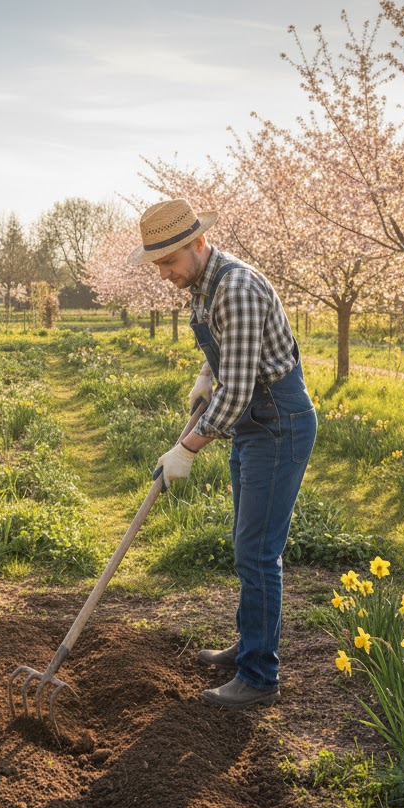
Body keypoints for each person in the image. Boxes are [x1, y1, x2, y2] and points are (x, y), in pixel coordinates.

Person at [128, 198, 317, 709]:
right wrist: (204, 376)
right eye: (158, 264)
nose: (164, 273)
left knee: (258, 552)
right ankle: (248, 645)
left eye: (169, 261)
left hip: (277, 424)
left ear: (197, 243)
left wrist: (185, 449)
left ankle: (259, 676)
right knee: (246, 545)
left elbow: (237, 393)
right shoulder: (202, 284)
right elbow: (230, 356)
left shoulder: (235, 287)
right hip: (251, 427)